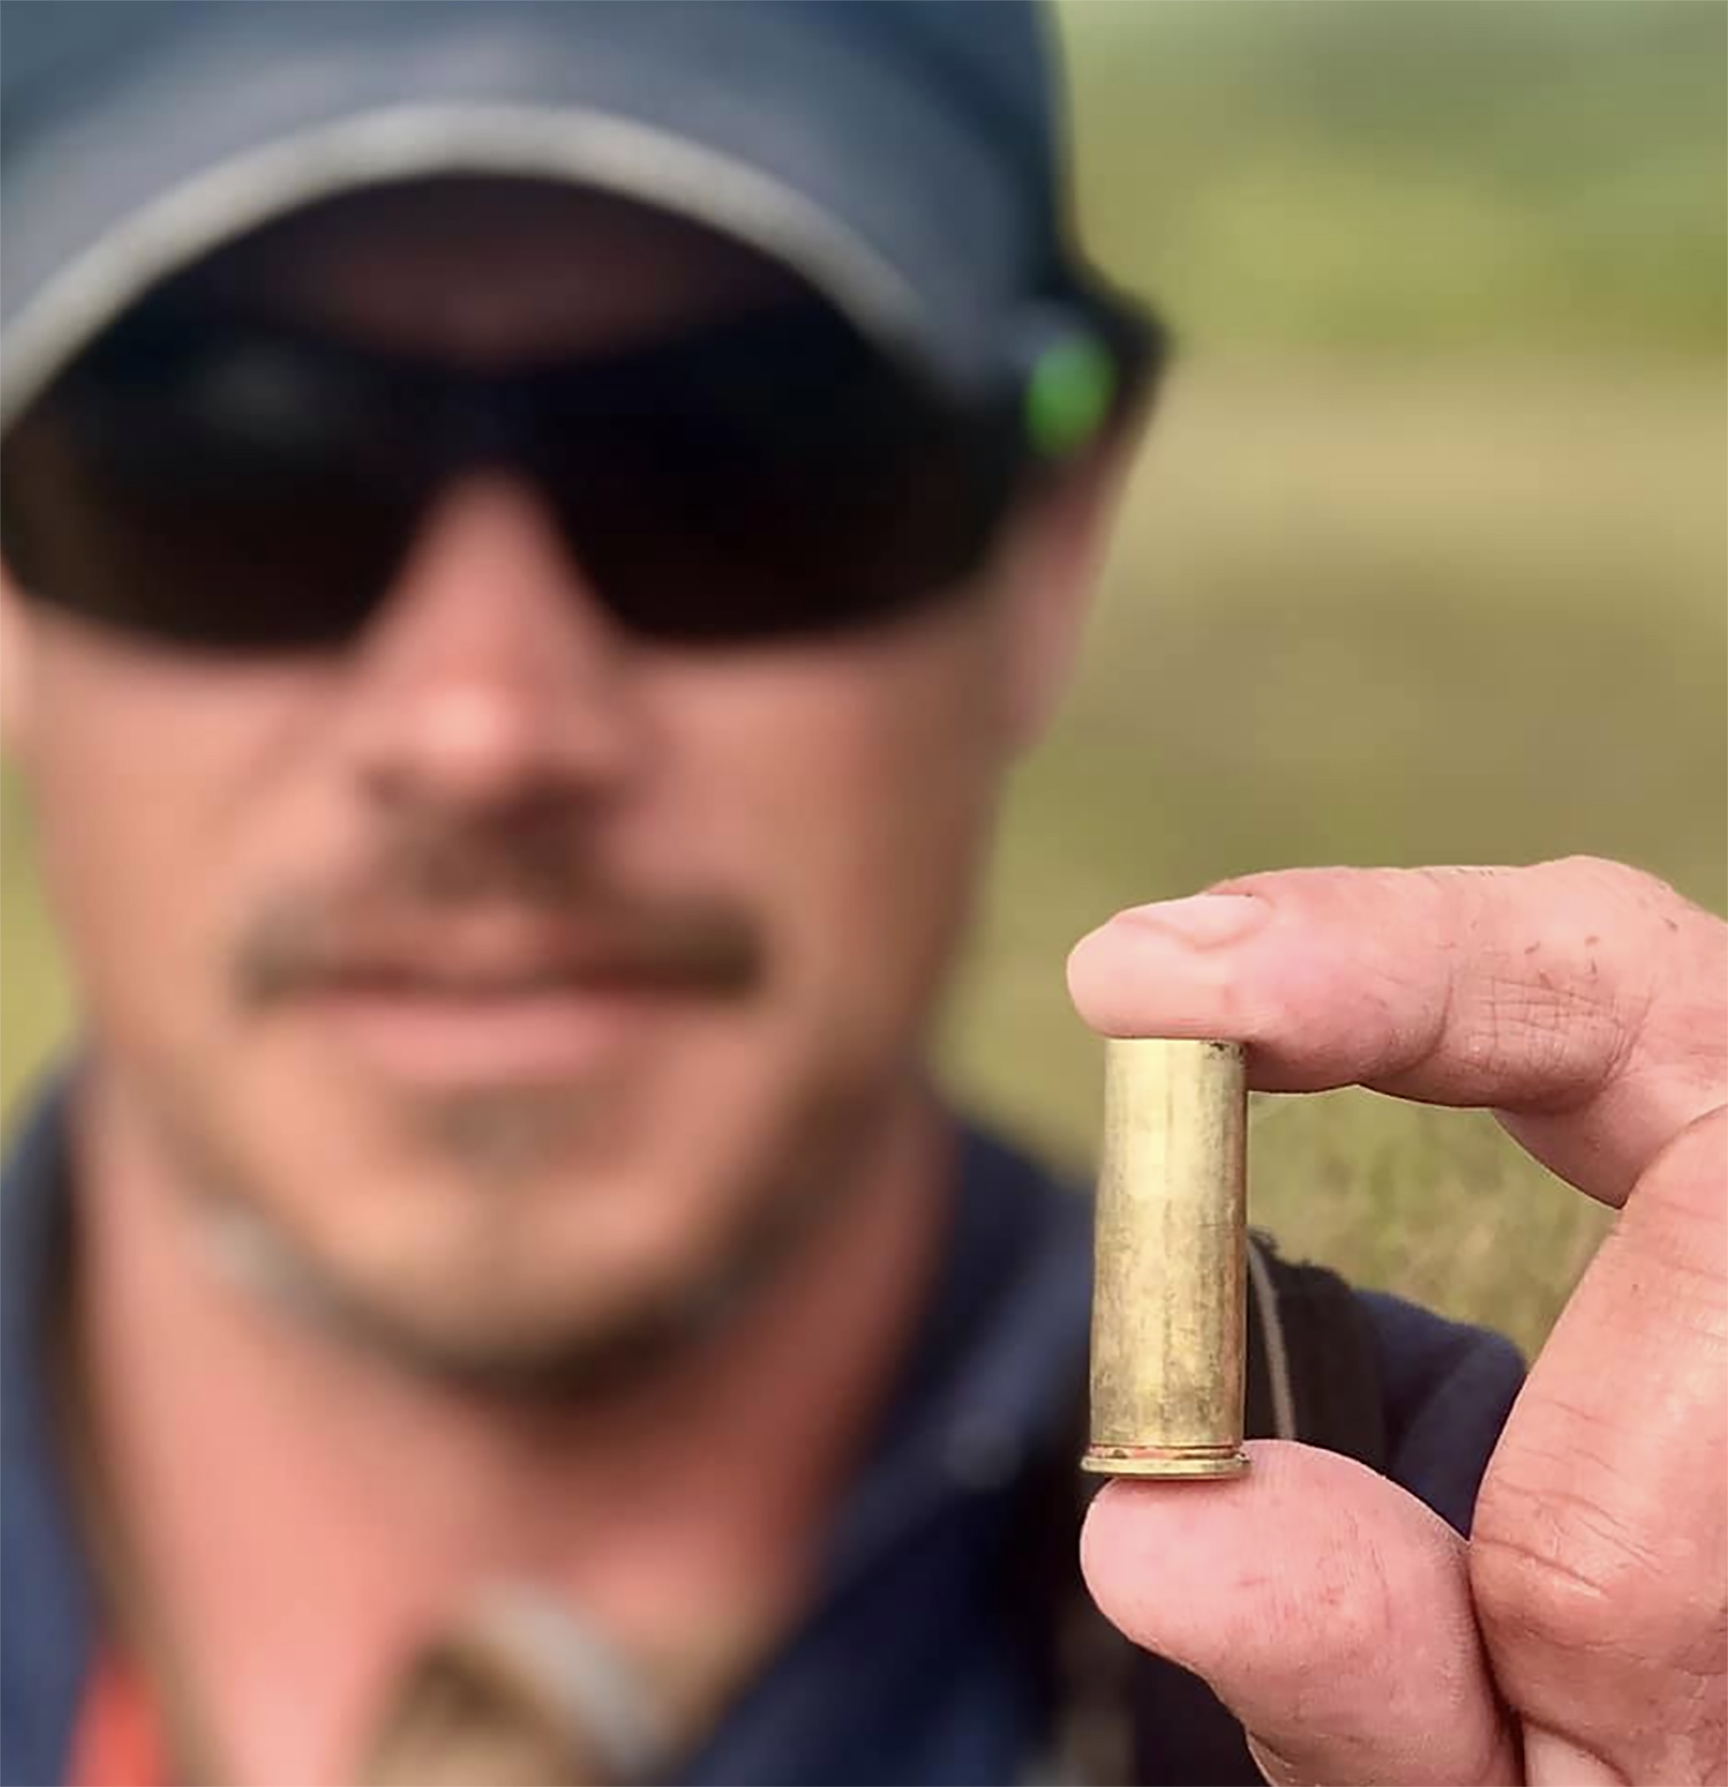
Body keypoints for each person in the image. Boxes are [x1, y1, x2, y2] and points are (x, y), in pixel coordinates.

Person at [1, 5, 1720, 1785]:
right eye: (222, 466)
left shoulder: (1540, 1607)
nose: (484, 725)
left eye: (739, 462)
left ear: (1046, 536)